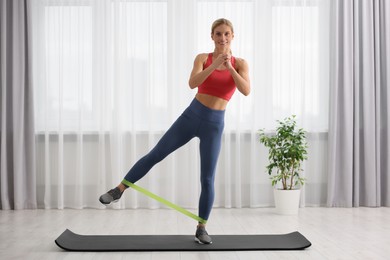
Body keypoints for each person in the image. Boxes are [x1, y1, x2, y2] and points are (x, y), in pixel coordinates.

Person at [99, 18, 250, 244]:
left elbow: (246, 90)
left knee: (207, 178)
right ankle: (119, 190)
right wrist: (215, 63)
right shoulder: (202, 58)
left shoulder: (240, 64)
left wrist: (228, 66)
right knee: (156, 154)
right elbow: (193, 83)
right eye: (218, 34)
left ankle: (201, 227)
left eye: (227, 34)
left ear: (233, 36)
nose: (222, 38)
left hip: (214, 125)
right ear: (212, 36)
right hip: (192, 116)